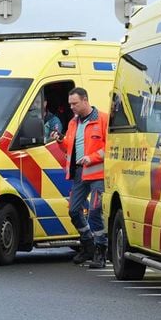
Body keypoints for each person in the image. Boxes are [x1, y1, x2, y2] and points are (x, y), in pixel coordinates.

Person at [58, 87, 108, 269]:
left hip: (97, 173)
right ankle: (88, 245)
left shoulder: (102, 119)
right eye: (70, 104)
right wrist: (60, 141)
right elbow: (69, 148)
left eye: (75, 103)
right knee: (74, 210)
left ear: (85, 100)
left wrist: (92, 157)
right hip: (80, 172)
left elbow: (111, 147)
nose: (72, 107)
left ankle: (100, 252)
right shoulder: (73, 123)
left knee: (95, 211)